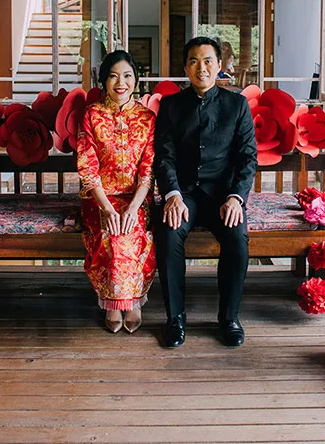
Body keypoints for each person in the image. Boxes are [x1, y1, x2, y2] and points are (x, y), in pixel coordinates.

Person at [153, 36, 258, 348]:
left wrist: (237, 197)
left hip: (223, 195)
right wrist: (171, 194)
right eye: (194, 61)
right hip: (184, 192)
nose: (202, 67)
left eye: (208, 60)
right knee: (168, 230)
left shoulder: (237, 105)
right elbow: (164, 157)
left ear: (219, 66)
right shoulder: (171, 106)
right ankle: (175, 319)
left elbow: (247, 157)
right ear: (186, 67)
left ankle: (229, 318)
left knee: (237, 235)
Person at [76, 50, 157, 334]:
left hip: (136, 198)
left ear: (136, 80)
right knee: (112, 233)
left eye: (127, 76)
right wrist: (107, 208)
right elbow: (87, 168)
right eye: (113, 76)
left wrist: (134, 206)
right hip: (98, 198)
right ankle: (113, 304)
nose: (120, 82)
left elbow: (148, 169)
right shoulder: (91, 116)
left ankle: (133, 303)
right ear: (104, 81)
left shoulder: (148, 118)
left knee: (133, 230)